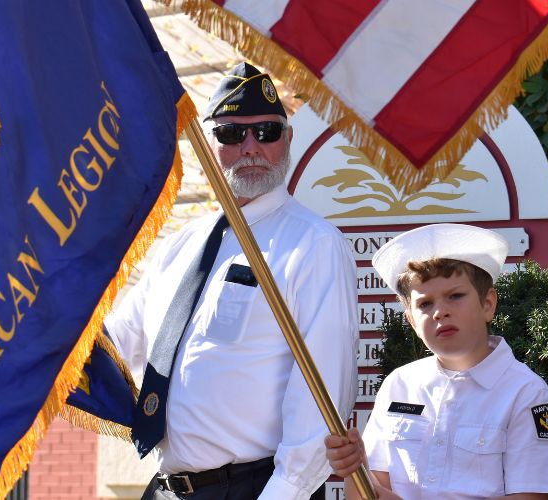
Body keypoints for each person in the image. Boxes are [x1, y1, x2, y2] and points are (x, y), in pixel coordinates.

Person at [105, 62, 359, 500]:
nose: (250, 147)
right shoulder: (181, 245)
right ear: (207, 142)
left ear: (288, 139)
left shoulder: (313, 244)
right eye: (229, 134)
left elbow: (321, 405)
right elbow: (114, 345)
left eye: (266, 132)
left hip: (253, 488)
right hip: (167, 489)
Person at [324, 224, 548, 500]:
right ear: (412, 321)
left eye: (455, 296)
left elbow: (531, 498)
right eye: (425, 304)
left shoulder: (527, 395)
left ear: (488, 304)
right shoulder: (399, 385)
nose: (440, 312)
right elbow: (369, 491)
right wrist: (354, 469)